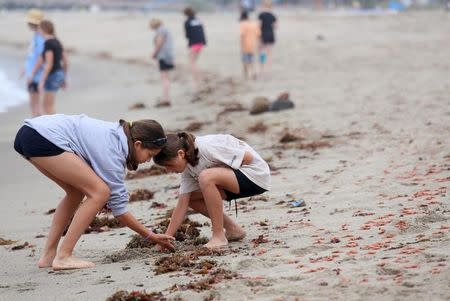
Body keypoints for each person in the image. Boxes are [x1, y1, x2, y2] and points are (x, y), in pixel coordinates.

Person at [13, 114, 175, 270]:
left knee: (76, 192)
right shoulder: (113, 153)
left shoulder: (117, 135)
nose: (148, 160)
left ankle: (49, 255)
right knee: (99, 193)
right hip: (44, 136)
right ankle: (64, 256)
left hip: (30, 133)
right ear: (138, 144)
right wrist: (151, 236)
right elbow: (119, 211)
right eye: (150, 154)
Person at [154, 132, 271, 249]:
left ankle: (218, 236)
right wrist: (165, 238)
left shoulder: (206, 147)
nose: (168, 170)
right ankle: (233, 229)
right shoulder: (187, 169)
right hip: (235, 185)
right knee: (191, 198)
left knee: (206, 177)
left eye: (169, 165)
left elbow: (248, 158)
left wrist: (220, 174)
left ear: (180, 153)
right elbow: (182, 204)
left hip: (256, 175)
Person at [28, 20, 68, 115]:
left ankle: (57, 128)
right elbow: (66, 62)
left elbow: (48, 64)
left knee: (47, 107)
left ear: (43, 30)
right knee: (48, 106)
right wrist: (63, 78)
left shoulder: (48, 43)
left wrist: (41, 80)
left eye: (39, 29)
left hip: (52, 75)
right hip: (59, 74)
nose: (38, 32)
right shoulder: (57, 41)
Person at [21, 9, 45, 116]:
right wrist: (25, 69)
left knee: (35, 105)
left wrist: (32, 74)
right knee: (34, 104)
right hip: (33, 74)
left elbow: (41, 57)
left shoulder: (40, 37)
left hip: (36, 76)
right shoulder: (36, 35)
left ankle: (38, 129)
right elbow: (32, 56)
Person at [149, 18, 175, 107]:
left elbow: (159, 43)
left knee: (165, 78)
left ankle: (166, 98)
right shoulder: (164, 30)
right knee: (166, 78)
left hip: (164, 56)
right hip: (168, 56)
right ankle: (166, 97)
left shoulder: (161, 31)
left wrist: (154, 53)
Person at [183, 6, 207, 90]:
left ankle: (197, 82)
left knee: (192, 63)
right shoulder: (198, 20)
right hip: (201, 43)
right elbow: (202, 31)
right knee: (194, 62)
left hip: (194, 44)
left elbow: (187, 35)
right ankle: (198, 81)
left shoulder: (187, 22)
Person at [239, 11, 261, 79]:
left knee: (245, 61)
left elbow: (242, 35)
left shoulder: (243, 24)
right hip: (253, 45)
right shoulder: (254, 24)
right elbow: (259, 34)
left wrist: (241, 47)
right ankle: (254, 72)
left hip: (245, 45)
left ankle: (246, 75)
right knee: (251, 60)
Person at [258, 0, 277, 74]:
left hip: (263, 35)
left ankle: (262, 68)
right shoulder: (273, 16)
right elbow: (275, 26)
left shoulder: (261, 15)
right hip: (271, 35)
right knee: (269, 53)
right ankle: (269, 69)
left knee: (262, 53)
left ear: (263, 6)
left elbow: (258, 26)